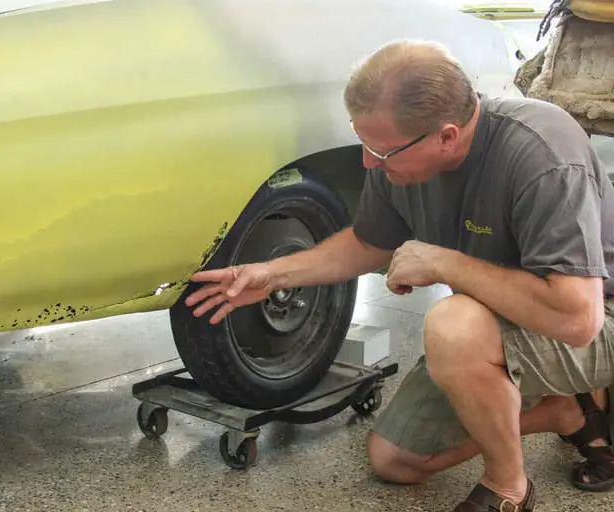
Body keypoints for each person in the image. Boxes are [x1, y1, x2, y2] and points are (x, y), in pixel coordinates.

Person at [184, 39, 614, 511]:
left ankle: (508, 487)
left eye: (381, 151)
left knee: (452, 325)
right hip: (503, 316)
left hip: (596, 318)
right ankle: (565, 410)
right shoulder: (396, 157)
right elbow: (369, 243)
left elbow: (577, 319)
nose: (368, 162)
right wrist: (274, 273)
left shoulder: (542, 153)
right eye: (365, 143)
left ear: (447, 136)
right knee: (395, 460)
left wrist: (445, 263)